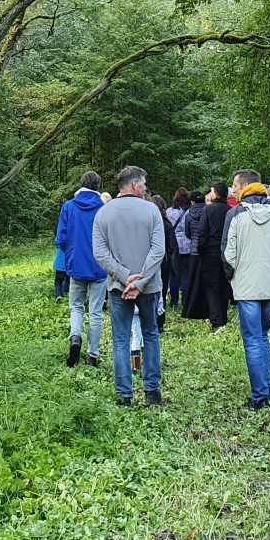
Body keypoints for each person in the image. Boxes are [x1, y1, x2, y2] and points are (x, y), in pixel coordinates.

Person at [92, 165, 166, 406]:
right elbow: (158, 250)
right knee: (151, 335)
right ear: (134, 184)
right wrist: (141, 280)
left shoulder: (103, 213)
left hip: (117, 287)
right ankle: (152, 392)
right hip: (150, 285)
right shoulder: (152, 211)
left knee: (121, 340)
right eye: (143, 183)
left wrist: (125, 277)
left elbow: (100, 253)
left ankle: (125, 395)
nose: (145, 188)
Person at [223, 180, 270, 409]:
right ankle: (265, 391)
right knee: (263, 337)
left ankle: (259, 397)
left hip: (246, 287)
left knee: (252, 340)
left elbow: (228, 255)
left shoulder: (237, 216)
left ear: (243, 196)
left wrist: (236, 274)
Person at [55, 171, 108, 368]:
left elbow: (61, 237)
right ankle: (92, 355)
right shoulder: (103, 209)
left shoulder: (68, 206)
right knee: (95, 312)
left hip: (76, 265)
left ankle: (75, 336)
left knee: (76, 306)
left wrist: (69, 253)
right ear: (98, 186)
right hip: (99, 267)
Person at [183, 184, 232, 330]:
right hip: (226, 252)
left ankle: (216, 321)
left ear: (216, 194)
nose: (209, 194)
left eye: (211, 191)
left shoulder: (208, 209)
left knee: (212, 287)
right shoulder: (231, 211)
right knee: (224, 286)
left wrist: (201, 250)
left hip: (210, 252)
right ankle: (223, 317)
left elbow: (202, 232)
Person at [151, 195, 178, 330]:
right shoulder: (167, 225)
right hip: (163, 262)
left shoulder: (148, 224)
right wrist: (174, 268)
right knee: (161, 290)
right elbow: (172, 248)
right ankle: (160, 321)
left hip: (149, 261)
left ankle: (150, 319)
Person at [165, 188, 192, 310]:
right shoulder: (190, 212)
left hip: (173, 246)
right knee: (186, 275)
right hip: (187, 246)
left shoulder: (170, 211)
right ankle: (186, 301)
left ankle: (174, 302)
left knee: (173, 275)